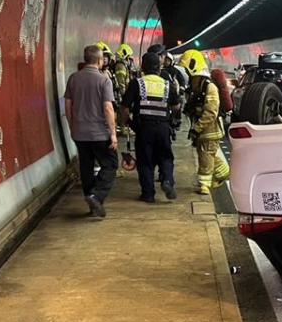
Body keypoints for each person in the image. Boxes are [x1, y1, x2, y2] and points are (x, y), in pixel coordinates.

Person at [64, 44, 118, 218]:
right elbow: (108, 108)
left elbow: (68, 106)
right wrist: (113, 134)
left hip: (80, 133)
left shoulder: (73, 78)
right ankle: (96, 195)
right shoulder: (104, 80)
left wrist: (72, 127)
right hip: (100, 133)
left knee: (86, 168)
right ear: (100, 60)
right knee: (110, 165)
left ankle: (92, 203)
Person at [121, 52, 181, 203]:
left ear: (143, 67)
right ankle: (167, 180)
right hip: (163, 128)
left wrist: (127, 122)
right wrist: (168, 118)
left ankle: (148, 194)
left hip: (143, 128)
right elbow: (176, 106)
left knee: (145, 161)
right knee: (166, 157)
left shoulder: (137, 83)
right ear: (159, 68)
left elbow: (125, 108)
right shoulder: (167, 85)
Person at [181, 50, 228, 195]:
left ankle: (204, 185)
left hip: (210, 131)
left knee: (206, 157)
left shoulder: (210, 87)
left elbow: (211, 112)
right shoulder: (197, 87)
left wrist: (197, 127)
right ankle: (222, 173)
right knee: (210, 154)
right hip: (203, 132)